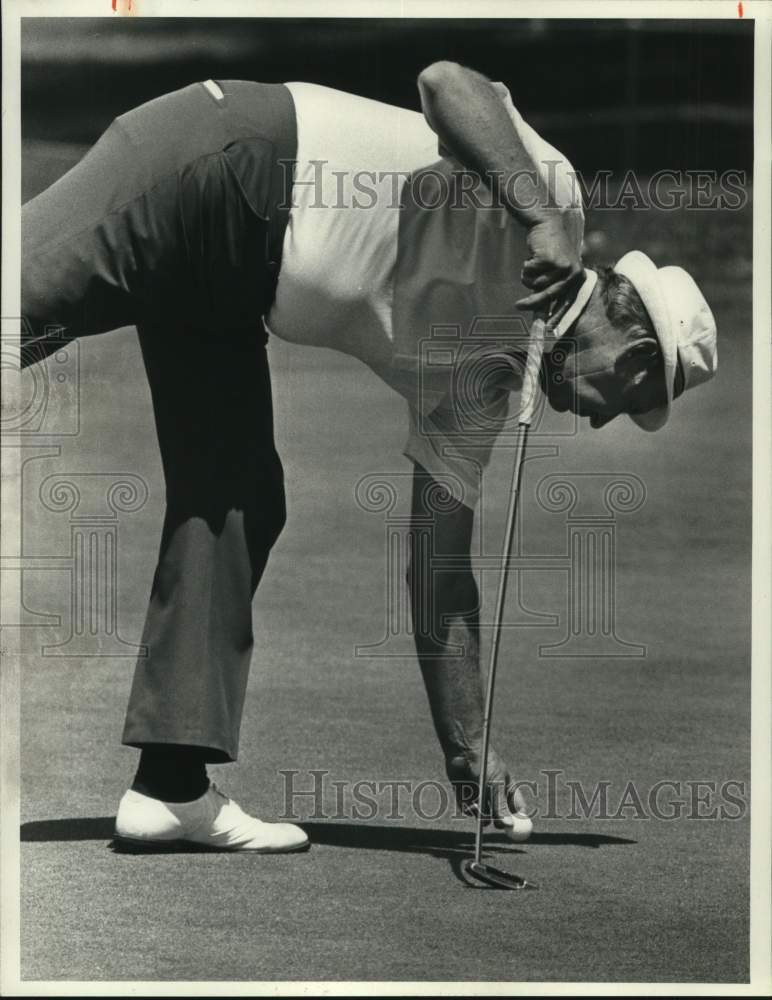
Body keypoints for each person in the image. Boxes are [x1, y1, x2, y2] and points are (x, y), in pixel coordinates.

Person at [20, 62, 717, 852]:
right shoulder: (552, 196)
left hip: (231, 289)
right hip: (220, 159)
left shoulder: (486, 390)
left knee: (239, 491)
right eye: (627, 402)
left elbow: (440, 572)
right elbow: (447, 84)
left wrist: (468, 742)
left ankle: (170, 786)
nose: (601, 421)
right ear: (635, 355)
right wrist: (543, 217)